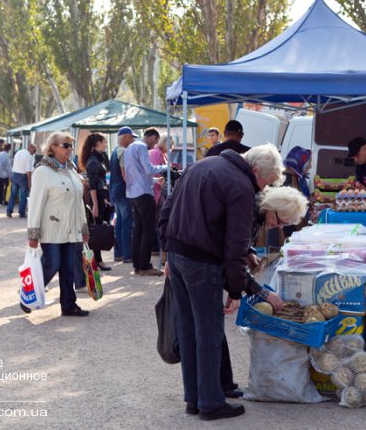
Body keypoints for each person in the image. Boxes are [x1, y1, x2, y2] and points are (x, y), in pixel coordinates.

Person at [157, 143, 284, 421]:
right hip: (202, 263)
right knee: (209, 334)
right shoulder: (241, 186)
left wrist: (167, 250)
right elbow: (235, 244)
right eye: (266, 181)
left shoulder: (200, 165)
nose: (264, 188)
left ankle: (195, 399)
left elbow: (166, 210)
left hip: (179, 257)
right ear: (255, 170)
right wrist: (237, 290)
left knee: (190, 332)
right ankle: (211, 403)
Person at [219, 185, 308, 398]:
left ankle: (223, 386)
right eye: (279, 221)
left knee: (214, 332)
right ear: (272, 207)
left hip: (215, 266)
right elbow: (231, 257)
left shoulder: (257, 216)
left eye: (283, 224)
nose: (278, 227)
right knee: (209, 332)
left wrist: (249, 252)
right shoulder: (247, 211)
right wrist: (252, 292)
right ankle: (208, 396)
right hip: (205, 267)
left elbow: (239, 247)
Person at [25, 132, 90, 317]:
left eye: (71, 145)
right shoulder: (42, 171)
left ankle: (69, 305)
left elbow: (79, 203)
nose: (70, 149)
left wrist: (84, 229)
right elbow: (36, 202)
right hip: (52, 228)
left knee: (68, 268)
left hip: (72, 229)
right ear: (53, 147)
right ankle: (28, 295)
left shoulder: (71, 170)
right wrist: (33, 233)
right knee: (52, 263)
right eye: (66, 145)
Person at [124, 127, 167, 276]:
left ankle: (138, 265)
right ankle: (145, 266)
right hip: (143, 193)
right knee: (148, 230)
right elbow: (148, 169)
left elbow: (138, 172)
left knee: (138, 230)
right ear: (152, 137)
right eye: (155, 141)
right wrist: (167, 167)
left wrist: (155, 180)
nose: (155, 144)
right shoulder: (142, 147)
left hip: (133, 193)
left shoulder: (130, 148)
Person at [79, 133, 112, 271]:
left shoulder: (99, 158)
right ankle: (95, 260)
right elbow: (92, 184)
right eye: (103, 141)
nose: (105, 144)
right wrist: (96, 205)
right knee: (96, 229)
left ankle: (96, 260)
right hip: (96, 197)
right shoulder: (93, 161)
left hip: (100, 196)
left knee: (97, 228)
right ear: (96, 144)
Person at [109, 127, 134, 263]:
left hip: (115, 191)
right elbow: (125, 174)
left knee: (119, 223)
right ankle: (127, 254)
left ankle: (118, 253)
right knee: (126, 223)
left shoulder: (114, 151)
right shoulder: (124, 152)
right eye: (131, 137)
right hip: (123, 191)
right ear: (125, 137)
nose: (132, 140)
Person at [7, 143, 37, 218]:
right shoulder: (29, 156)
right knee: (23, 195)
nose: (34, 152)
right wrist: (29, 183)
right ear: (30, 148)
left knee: (13, 194)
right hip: (23, 177)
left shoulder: (19, 152)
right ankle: (22, 212)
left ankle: (9, 211)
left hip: (15, 175)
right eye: (34, 150)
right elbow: (28, 171)